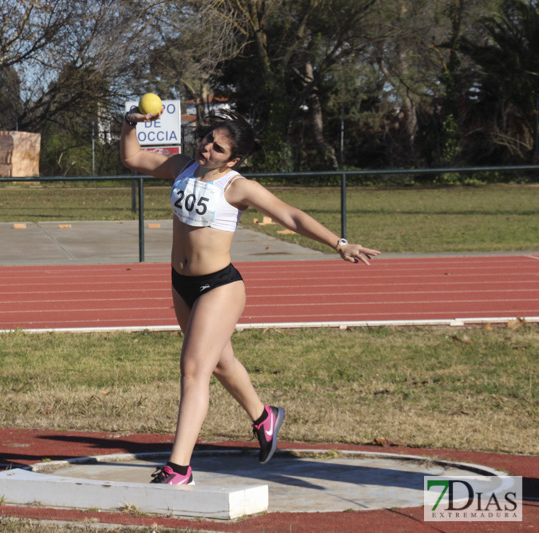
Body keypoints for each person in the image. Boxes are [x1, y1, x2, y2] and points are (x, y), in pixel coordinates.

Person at [120, 108, 380, 485]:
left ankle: (179, 467)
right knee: (221, 363)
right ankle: (264, 417)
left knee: (194, 370)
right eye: (208, 139)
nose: (207, 147)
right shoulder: (182, 166)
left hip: (220, 287)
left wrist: (338, 243)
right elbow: (133, 157)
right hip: (181, 283)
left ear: (235, 159)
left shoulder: (237, 186)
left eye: (218, 148)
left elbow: (289, 216)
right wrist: (130, 124)